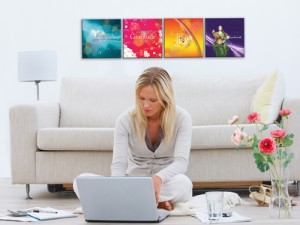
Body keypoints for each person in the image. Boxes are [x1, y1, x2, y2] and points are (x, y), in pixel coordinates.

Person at [73, 67, 193, 211]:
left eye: (153, 100)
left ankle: (128, 201)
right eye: (141, 98)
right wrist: (117, 186)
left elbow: (181, 163)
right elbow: (119, 165)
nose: (146, 105)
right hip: (132, 182)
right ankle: (152, 201)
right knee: (80, 181)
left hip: (165, 182)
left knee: (184, 184)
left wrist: (159, 178)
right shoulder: (125, 120)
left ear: (165, 98)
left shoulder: (182, 118)